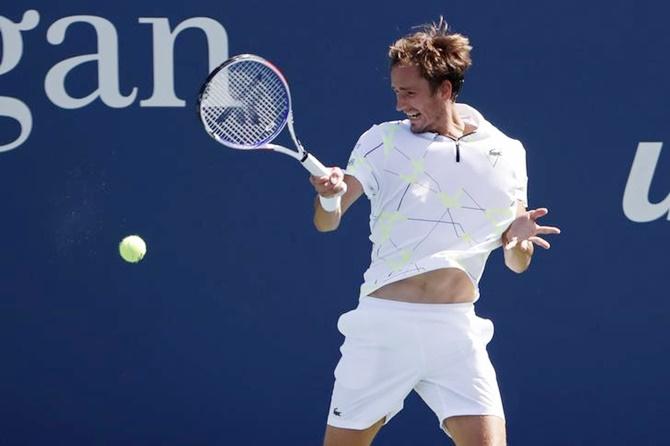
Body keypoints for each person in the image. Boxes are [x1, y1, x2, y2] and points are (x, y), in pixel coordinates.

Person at [310, 18, 560, 446]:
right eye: (395, 92)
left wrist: (519, 240)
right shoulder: (380, 142)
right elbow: (326, 221)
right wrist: (330, 196)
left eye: (409, 93)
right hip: (383, 327)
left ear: (444, 89)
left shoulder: (506, 153)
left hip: (456, 331)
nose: (399, 104)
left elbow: (517, 261)